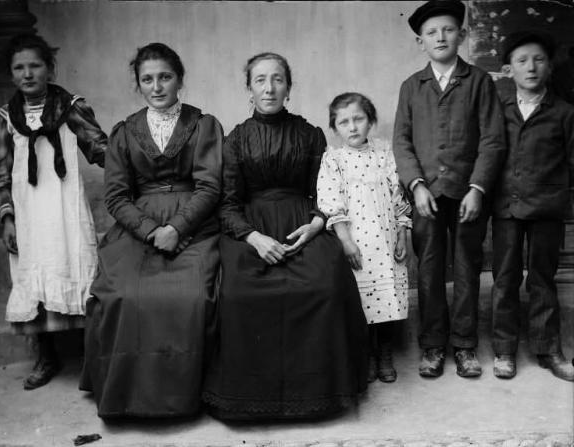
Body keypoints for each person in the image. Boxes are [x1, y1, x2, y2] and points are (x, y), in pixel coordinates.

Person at [202, 52, 369, 420]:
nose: (269, 87)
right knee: (237, 291)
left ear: (288, 87)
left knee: (325, 283)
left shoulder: (310, 135)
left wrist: (315, 223)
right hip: (252, 228)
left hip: (302, 225)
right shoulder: (236, 139)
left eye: (277, 79)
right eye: (260, 80)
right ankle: (249, 398)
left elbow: (325, 191)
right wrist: (253, 238)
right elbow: (227, 204)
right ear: (249, 88)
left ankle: (319, 393)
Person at [80, 43, 223, 417]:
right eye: (148, 79)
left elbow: (210, 186)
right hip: (138, 226)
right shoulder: (125, 131)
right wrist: (149, 230)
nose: (157, 86)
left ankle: (184, 399)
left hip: (195, 222)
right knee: (122, 296)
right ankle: (128, 399)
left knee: (191, 298)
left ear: (179, 79)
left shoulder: (204, 125)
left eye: (165, 77)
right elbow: (115, 195)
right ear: (139, 84)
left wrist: (177, 227)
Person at [392, 0, 505, 378]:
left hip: (466, 195)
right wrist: (417, 185)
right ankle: (433, 346)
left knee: (468, 269)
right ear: (420, 42)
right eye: (430, 32)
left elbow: (492, 139)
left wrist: (477, 187)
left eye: (448, 29)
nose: (440, 36)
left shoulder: (479, 82)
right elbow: (402, 142)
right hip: (427, 198)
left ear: (462, 34)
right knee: (428, 270)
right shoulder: (412, 86)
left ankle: (465, 346)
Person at [0, 34, 106, 390]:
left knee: (78, 268)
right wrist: (7, 217)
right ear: (11, 74)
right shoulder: (5, 120)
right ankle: (46, 356)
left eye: (35, 65)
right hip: (29, 214)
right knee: (34, 275)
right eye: (19, 68)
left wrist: (134, 157)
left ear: (50, 68)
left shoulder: (71, 108)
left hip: (66, 207)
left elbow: (101, 149)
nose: (27, 74)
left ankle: (94, 359)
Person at [491, 30, 574, 381]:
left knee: (542, 279)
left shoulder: (564, 112)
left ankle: (549, 349)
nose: (531, 67)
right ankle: (505, 350)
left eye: (538, 59)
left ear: (550, 66)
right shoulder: (498, 109)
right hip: (507, 207)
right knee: (505, 278)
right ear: (509, 69)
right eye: (522, 60)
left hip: (547, 209)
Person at [317, 92, 411, 383]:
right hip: (356, 242)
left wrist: (402, 234)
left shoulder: (384, 154)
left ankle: (384, 352)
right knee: (360, 299)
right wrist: (345, 241)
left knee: (388, 297)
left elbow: (399, 198)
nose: (352, 127)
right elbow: (332, 202)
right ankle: (366, 354)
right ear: (335, 128)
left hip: (385, 240)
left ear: (370, 121)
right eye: (343, 122)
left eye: (358, 119)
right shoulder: (334, 159)